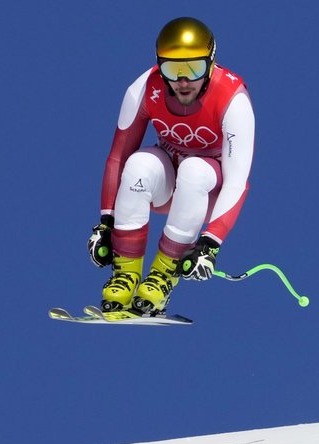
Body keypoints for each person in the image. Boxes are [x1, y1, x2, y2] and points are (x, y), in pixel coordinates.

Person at [87, 17, 255, 314]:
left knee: (194, 170)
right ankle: (124, 275)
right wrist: (106, 222)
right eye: (172, 69)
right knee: (139, 164)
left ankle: (162, 277)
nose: (183, 81)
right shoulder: (144, 88)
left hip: (206, 190)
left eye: (194, 68)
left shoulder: (233, 99)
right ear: (159, 66)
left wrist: (210, 243)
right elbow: (118, 157)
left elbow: (237, 181)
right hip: (168, 182)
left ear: (211, 64)